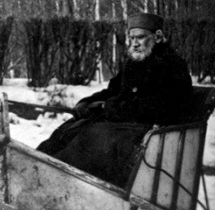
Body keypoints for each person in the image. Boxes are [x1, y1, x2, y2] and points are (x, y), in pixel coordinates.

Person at [36, 12, 194, 187]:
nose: (134, 43)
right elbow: (113, 90)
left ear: (157, 37)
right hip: (126, 126)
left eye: (140, 38)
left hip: (149, 134)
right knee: (70, 128)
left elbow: (164, 107)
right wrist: (87, 102)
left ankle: (55, 184)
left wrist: (112, 107)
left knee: (90, 139)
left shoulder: (171, 64)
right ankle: (36, 168)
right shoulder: (135, 63)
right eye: (131, 37)